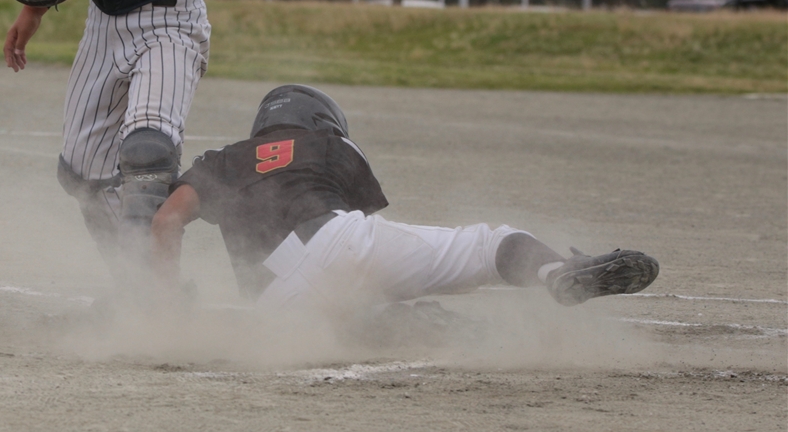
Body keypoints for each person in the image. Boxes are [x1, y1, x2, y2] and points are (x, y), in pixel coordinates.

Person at [151, 85, 661, 322]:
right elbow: (354, 247)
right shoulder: (332, 145)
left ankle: (393, 324)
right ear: (321, 120)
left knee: (346, 314)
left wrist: (165, 300)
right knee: (489, 245)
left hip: (273, 305)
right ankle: (556, 272)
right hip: (335, 239)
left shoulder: (222, 160)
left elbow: (165, 222)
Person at [3, 0, 229, 264]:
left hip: (169, 22)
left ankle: (155, 293)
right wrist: (33, 9)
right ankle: (133, 281)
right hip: (102, 23)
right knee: (81, 172)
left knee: (148, 153)